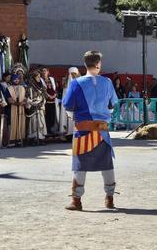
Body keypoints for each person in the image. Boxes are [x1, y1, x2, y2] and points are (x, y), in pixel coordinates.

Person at [62, 51, 119, 211]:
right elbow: (113, 104)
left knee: (80, 166)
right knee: (107, 165)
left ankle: (76, 200)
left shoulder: (76, 83)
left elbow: (68, 106)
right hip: (102, 131)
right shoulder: (107, 82)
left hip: (83, 131)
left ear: (85, 64)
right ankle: (110, 199)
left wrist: (76, 118)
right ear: (98, 64)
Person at [56, 67, 80, 139]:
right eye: (72, 74)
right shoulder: (66, 83)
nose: (73, 76)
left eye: (74, 74)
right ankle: (68, 134)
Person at [26, 69, 47, 145]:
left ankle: (41, 138)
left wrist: (41, 102)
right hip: (33, 107)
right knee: (34, 123)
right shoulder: (30, 87)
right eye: (37, 77)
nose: (39, 78)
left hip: (40, 106)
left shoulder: (42, 86)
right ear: (34, 78)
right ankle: (34, 138)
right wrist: (32, 103)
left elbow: (45, 96)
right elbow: (27, 97)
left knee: (41, 121)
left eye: (39, 77)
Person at [6, 73, 26, 147]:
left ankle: (20, 139)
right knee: (12, 123)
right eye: (15, 79)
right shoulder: (9, 88)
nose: (16, 80)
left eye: (17, 79)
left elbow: (25, 97)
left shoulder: (23, 87)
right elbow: (8, 99)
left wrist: (23, 102)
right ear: (12, 80)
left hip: (21, 107)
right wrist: (17, 103)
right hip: (12, 108)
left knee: (21, 122)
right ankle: (12, 140)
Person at [40, 67, 58, 135]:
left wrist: (54, 95)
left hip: (53, 101)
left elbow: (55, 88)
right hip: (45, 101)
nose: (44, 72)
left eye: (45, 71)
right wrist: (48, 96)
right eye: (43, 71)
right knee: (46, 116)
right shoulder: (41, 80)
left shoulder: (52, 79)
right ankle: (46, 129)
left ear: (48, 72)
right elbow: (42, 90)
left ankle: (50, 129)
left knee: (52, 116)